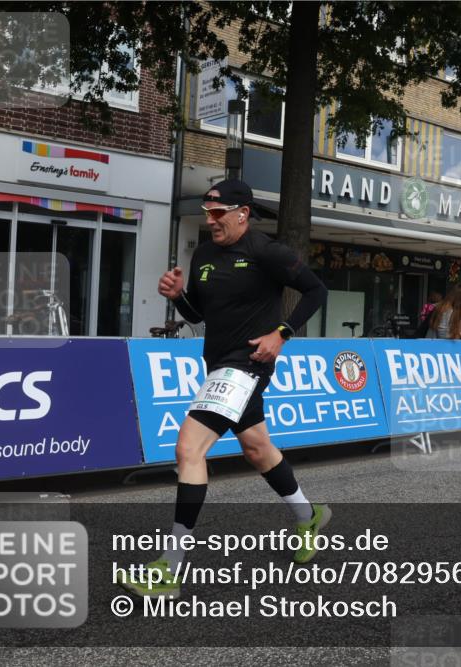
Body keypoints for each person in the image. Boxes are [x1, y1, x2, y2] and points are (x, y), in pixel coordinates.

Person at [118, 179, 329, 598]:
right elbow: (201, 313)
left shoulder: (266, 251)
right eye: (206, 211)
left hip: (247, 364)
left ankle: (169, 568)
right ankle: (309, 515)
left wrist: (281, 334)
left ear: (242, 214)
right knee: (257, 449)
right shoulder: (204, 254)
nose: (210, 220)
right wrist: (179, 296)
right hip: (217, 364)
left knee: (189, 450)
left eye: (218, 213)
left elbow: (316, 290)